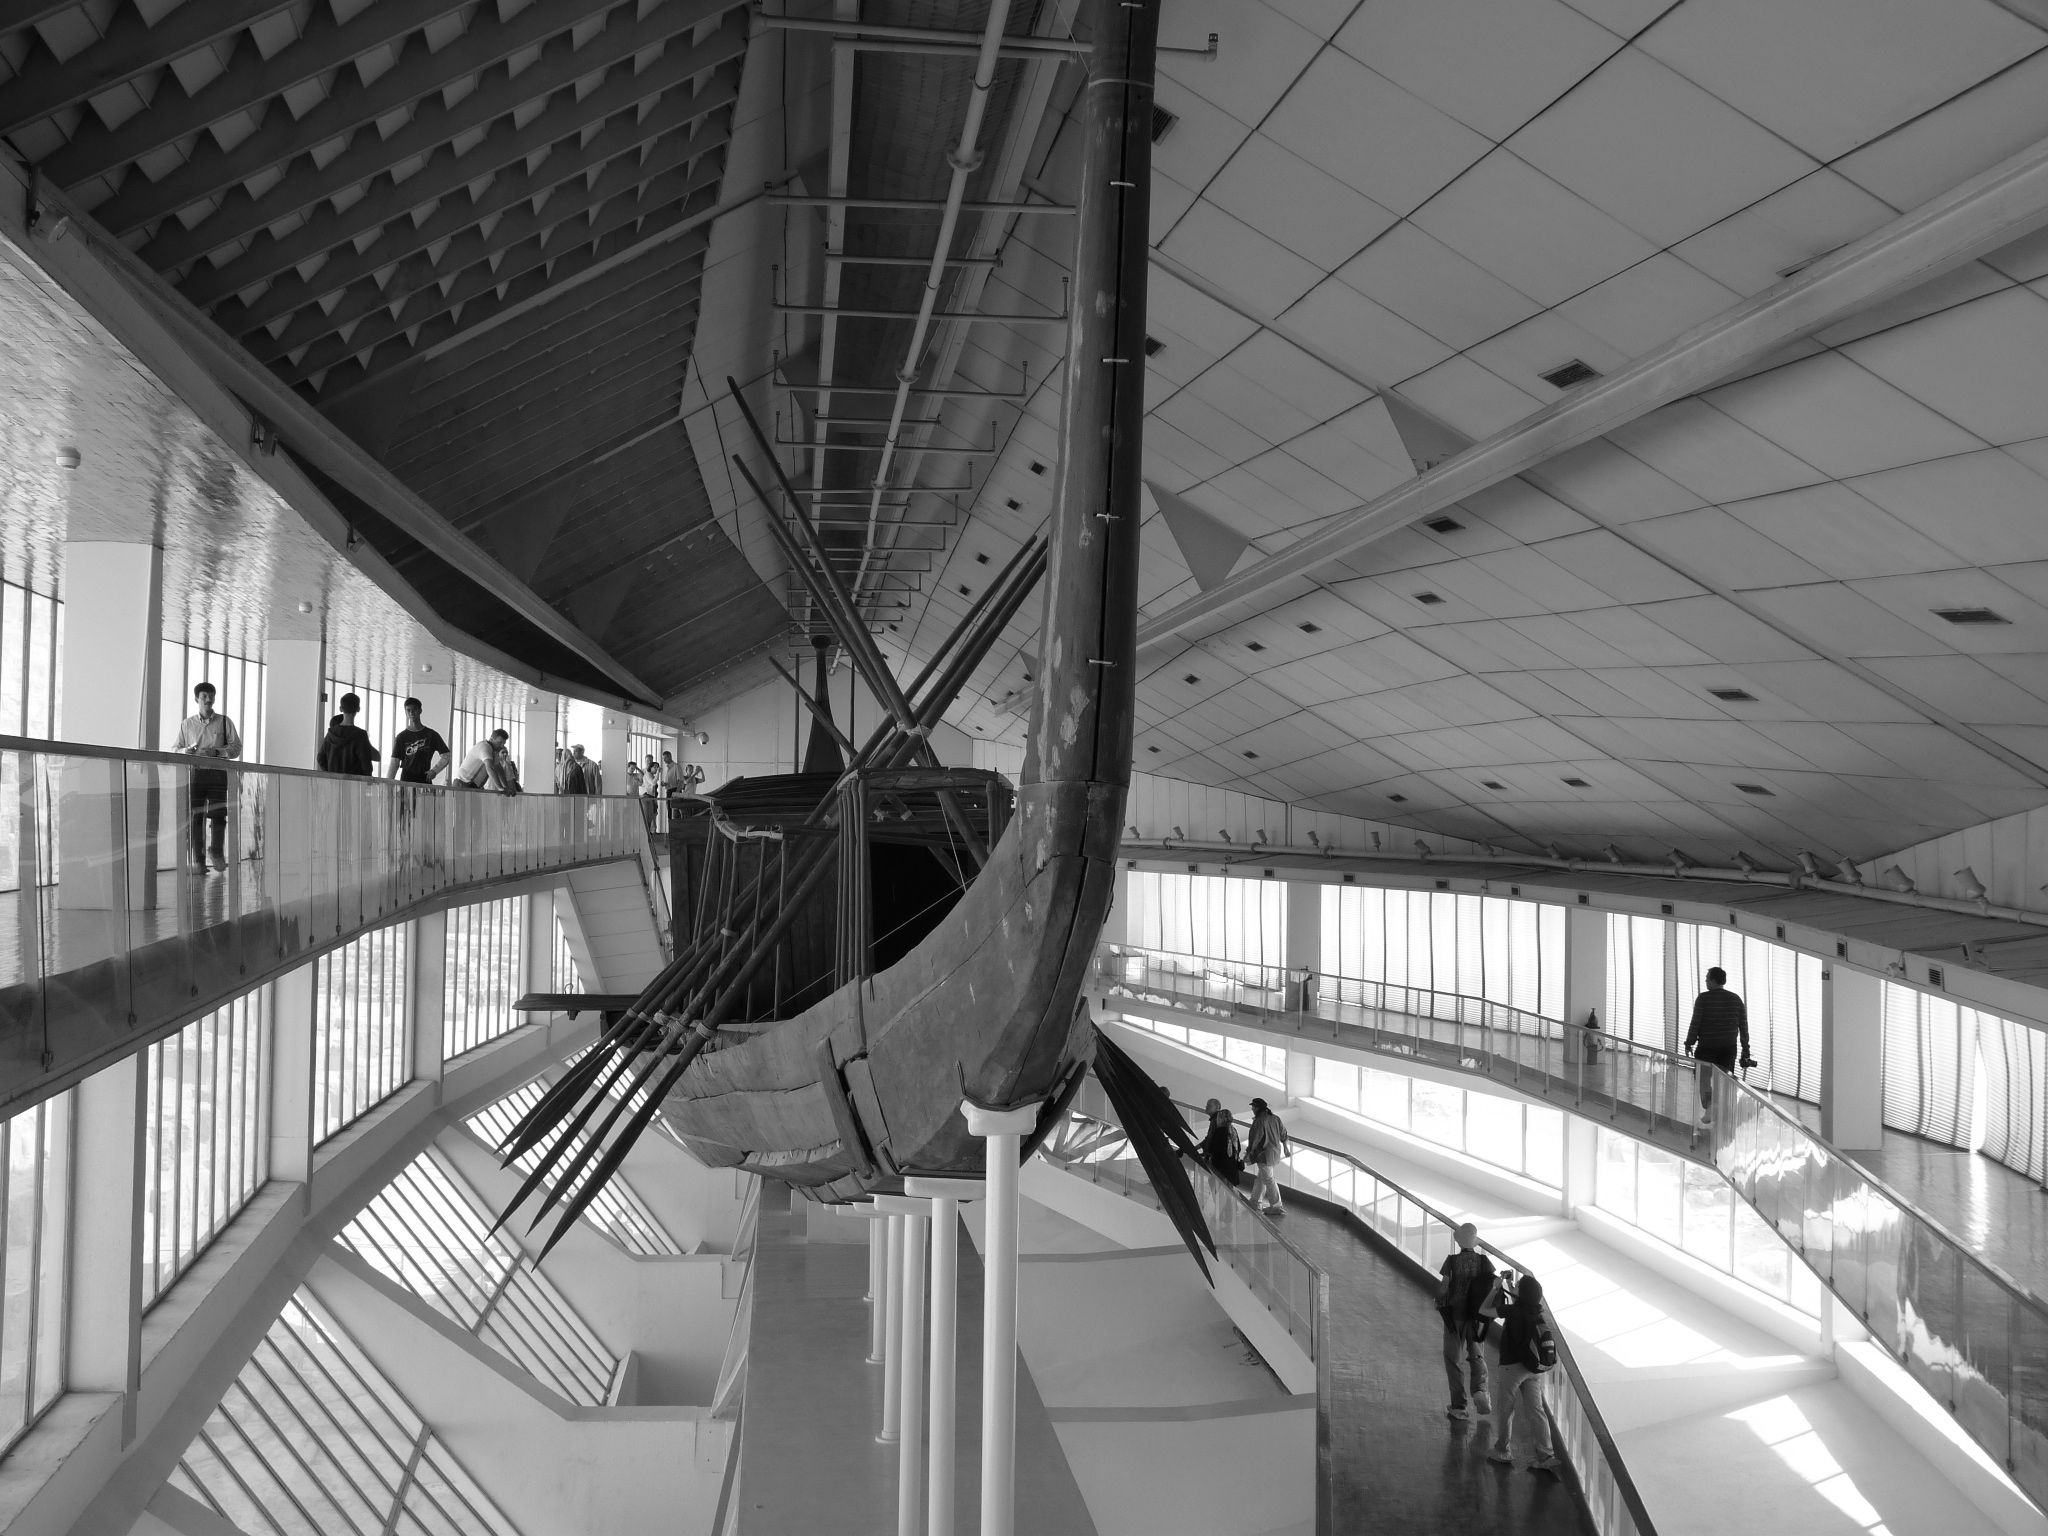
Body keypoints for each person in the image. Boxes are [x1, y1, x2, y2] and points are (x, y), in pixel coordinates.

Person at [1487, 1273, 1560, 1472]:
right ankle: (1546, 1454)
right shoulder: (1537, 1312)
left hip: (1511, 1367)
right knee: (1536, 1410)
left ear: (1523, 1293)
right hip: (1533, 1368)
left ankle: (1502, 1450)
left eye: (1518, 1285)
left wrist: (1495, 1288)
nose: (1515, 1286)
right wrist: (1510, 1285)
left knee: (1506, 1408)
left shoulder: (1512, 1311)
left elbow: (1483, 1310)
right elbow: (1520, 1307)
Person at [173, 681, 242, 872]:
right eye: (204, 696)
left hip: (218, 774)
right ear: (196, 699)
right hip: (195, 774)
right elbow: (175, 748)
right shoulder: (187, 724)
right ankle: (199, 860)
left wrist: (218, 752)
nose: (208, 699)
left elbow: (236, 747)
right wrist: (186, 750)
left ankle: (217, 852)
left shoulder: (225, 722)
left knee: (218, 815)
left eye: (211, 696)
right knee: (196, 817)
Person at [1436, 1221, 1496, 1421]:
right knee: (1477, 1355)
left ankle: (1459, 1406)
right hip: (1477, 1315)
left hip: (1455, 1315)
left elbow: (1444, 1287)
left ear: (1459, 1242)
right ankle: (1480, 1390)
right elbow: (1493, 1284)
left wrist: (1439, 1301)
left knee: (1453, 1358)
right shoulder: (1484, 1262)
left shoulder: (1452, 1261)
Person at [1683, 965, 1755, 1125]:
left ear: (1714, 980)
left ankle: (1710, 1108)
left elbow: (1695, 1023)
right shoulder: (1736, 999)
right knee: (1724, 1081)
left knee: (1703, 1079)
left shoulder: (1703, 999)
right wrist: (1745, 1048)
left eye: (1707, 978)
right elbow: (1743, 1026)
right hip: (1728, 1049)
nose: (1705, 981)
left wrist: (1689, 1043)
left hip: (1707, 1048)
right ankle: (1722, 1112)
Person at [388, 698, 452, 785]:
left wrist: (435, 771)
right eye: (408, 710)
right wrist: (387, 784)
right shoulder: (401, 737)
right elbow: (394, 762)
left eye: (414, 710)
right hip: (406, 782)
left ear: (420, 711)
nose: (411, 713)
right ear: (405, 712)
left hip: (424, 780)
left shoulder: (431, 735)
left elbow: (446, 756)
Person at [316, 692, 379, 776]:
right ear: (358, 709)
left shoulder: (330, 734)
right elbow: (366, 766)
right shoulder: (360, 735)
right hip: (354, 782)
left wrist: (331, 774)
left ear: (340, 709)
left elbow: (320, 758)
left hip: (334, 782)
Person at [1245, 1097, 1290, 1213]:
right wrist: (1286, 1148)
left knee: (1269, 1179)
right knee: (1261, 1178)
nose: (1252, 1109)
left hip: (1264, 1155)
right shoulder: (1275, 1118)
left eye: (1253, 1107)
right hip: (1274, 1154)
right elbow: (1284, 1134)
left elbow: (1255, 1138)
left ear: (1257, 1108)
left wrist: (1249, 1153)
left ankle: (1276, 1206)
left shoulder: (1259, 1120)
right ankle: (1255, 1201)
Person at [1196, 1099, 1243, 1186]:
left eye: (1209, 1105)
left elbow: (1212, 1144)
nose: (1206, 1107)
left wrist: (1203, 1152)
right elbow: (1238, 1148)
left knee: (1216, 1185)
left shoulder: (1219, 1130)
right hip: (1231, 1168)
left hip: (1220, 1167)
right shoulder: (1232, 1130)